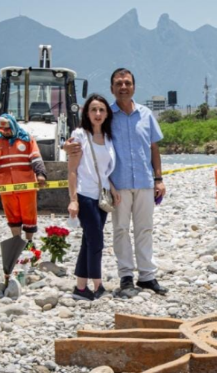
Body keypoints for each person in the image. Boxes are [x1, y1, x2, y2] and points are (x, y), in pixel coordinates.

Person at [65, 68, 168, 296]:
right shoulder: (106, 115)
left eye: (127, 83)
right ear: (112, 88)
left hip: (144, 180)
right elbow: (85, 134)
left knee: (145, 229)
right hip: (117, 184)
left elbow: (154, 148)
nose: (123, 87)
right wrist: (67, 145)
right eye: (119, 83)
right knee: (120, 230)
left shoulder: (146, 114)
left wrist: (159, 178)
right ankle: (126, 277)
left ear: (134, 86)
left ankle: (148, 276)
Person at [66, 94, 121, 301]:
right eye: (93, 110)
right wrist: (73, 199)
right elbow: (72, 170)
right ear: (86, 113)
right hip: (85, 194)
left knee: (88, 241)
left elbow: (104, 170)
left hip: (103, 196)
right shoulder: (79, 136)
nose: (98, 114)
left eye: (101, 110)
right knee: (96, 240)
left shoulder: (107, 138)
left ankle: (80, 288)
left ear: (107, 114)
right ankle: (98, 285)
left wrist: (112, 187)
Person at [0, 114, 47, 248]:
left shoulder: (26, 139)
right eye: (3, 130)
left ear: (13, 126)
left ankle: (29, 241)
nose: (5, 132)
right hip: (6, 185)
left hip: (26, 184)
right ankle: (16, 241)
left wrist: (40, 174)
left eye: (7, 129)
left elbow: (35, 157)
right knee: (12, 214)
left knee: (29, 213)